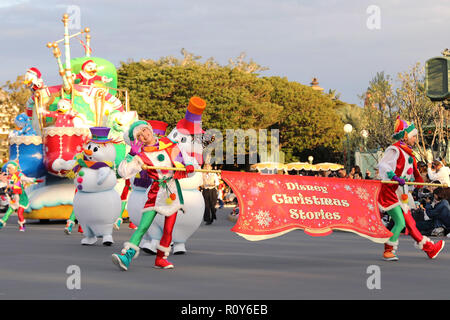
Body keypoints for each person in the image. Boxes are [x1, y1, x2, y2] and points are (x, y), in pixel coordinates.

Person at [111, 120, 196, 270]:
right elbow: (123, 172)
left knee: (169, 229)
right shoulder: (141, 155)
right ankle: (126, 256)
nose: (144, 135)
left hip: (173, 191)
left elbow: (186, 164)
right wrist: (132, 154)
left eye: (144, 130)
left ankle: (161, 259)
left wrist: (189, 167)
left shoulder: (169, 144)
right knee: (143, 226)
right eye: (139, 135)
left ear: (149, 128)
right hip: (156, 192)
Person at [377, 116, 444, 261]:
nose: (415, 140)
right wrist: (394, 177)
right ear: (405, 136)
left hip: (402, 193)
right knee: (400, 222)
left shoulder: (409, 153)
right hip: (390, 192)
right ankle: (388, 250)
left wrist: (424, 184)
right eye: (414, 137)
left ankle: (430, 249)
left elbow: (415, 175)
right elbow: (383, 165)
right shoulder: (394, 149)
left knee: (411, 224)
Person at [0, 161, 42, 231]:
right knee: (9, 211)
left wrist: (33, 180)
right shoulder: (10, 177)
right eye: (8, 169)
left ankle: (22, 225)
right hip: (14, 196)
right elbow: (9, 185)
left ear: (14, 169)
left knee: (19, 213)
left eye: (10, 169)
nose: (9, 170)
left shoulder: (19, 175)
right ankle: (2, 222)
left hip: (22, 197)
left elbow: (26, 179)